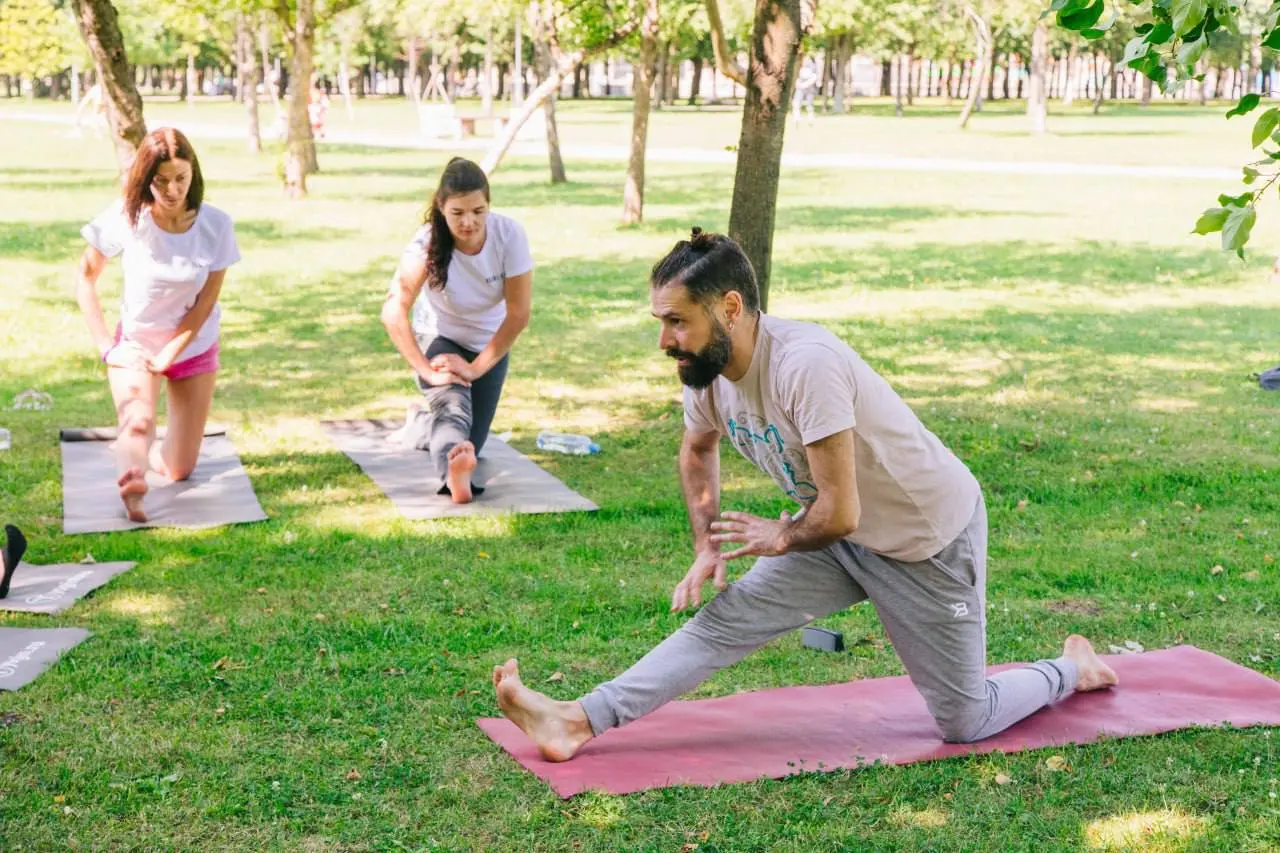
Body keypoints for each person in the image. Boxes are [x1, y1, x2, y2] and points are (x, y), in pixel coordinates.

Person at [490, 228, 1118, 762]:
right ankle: (576, 720)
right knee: (724, 622)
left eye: (676, 321)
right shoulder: (706, 376)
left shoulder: (803, 366)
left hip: (924, 540)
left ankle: (1073, 668)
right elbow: (697, 449)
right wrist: (707, 543)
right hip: (831, 533)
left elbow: (842, 511)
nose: (664, 340)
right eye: (661, 321)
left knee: (965, 720)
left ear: (730, 308)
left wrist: (780, 535)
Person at [76, 128, 241, 523]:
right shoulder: (125, 218)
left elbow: (207, 300)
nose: (172, 189)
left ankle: (144, 453)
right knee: (138, 421)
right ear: (145, 178)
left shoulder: (216, 224)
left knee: (180, 469)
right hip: (136, 344)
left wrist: (171, 352)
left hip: (193, 347)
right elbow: (85, 278)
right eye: (161, 180)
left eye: (180, 178)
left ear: (193, 174)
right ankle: (133, 482)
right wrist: (107, 347)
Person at [381, 157, 534, 503]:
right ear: (441, 207)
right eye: (458, 213)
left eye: (478, 211)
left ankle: (417, 426)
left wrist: (477, 367)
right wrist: (426, 371)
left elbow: (519, 314)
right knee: (453, 415)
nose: (469, 222)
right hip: (439, 337)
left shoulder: (509, 235)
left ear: (489, 205)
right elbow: (393, 310)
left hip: (488, 345)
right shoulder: (426, 243)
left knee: (473, 440)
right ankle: (454, 481)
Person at [792, 56, 819, 126]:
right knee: (796, 104)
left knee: (809, 105)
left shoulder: (813, 67)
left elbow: (813, 78)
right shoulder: (801, 67)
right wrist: (798, 84)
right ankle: (796, 119)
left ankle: (811, 120)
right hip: (800, 88)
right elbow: (798, 78)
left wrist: (804, 85)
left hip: (809, 88)